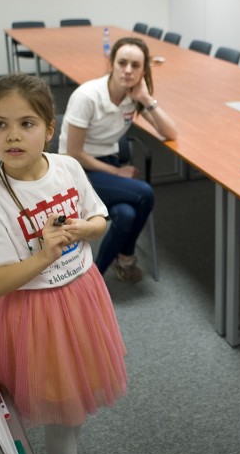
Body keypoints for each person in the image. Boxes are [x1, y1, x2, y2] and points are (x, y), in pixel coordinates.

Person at [0, 73, 126, 454]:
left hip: (83, 297)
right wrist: (43, 255)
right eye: (0, 125)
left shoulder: (67, 168)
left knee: (77, 398)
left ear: (49, 130)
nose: (13, 136)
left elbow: (99, 220)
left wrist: (81, 228)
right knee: (60, 410)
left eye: (27, 124)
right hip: (39, 314)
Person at [61, 36, 178, 283]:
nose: (128, 70)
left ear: (143, 70)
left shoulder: (133, 96)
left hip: (106, 165)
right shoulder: (88, 97)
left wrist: (146, 98)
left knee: (126, 214)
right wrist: (117, 173)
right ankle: (124, 258)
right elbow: (73, 153)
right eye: (122, 62)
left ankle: (94, 279)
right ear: (111, 63)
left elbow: (171, 132)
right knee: (144, 193)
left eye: (136, 66)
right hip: (75, 171)